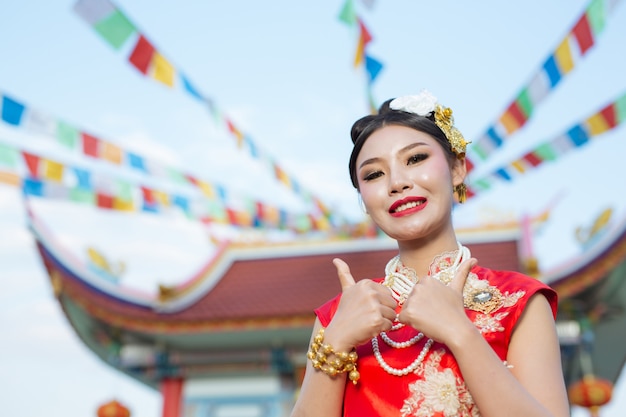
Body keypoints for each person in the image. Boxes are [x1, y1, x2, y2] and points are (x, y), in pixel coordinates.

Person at [290, 90, 570, 417]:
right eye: (373, 174)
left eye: (416, 159)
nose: (397, 182)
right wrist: (335, 342)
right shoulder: (339, 316)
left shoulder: (519, 300)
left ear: (457, 169)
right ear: (364, 201)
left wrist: (460, 332)